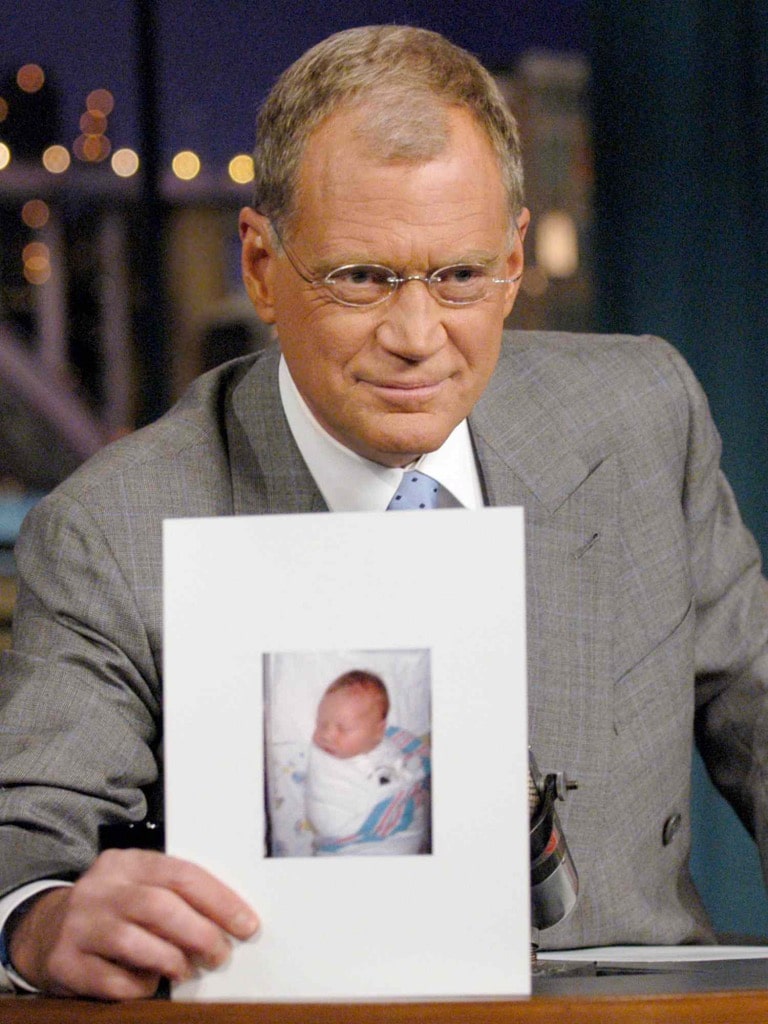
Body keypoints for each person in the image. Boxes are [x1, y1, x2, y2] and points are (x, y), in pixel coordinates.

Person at [0, 23, 767, 1000]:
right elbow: (26, 845)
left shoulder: (644, 417)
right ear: (263, 266)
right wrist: (44, 917)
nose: (418, 337)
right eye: (362, 277)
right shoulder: (114, 525)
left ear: (516, 258)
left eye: (459, 276)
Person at [306, 670, 430, 856]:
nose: (326, 735)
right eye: (321, 724)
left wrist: (423, 767)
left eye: (343, 728)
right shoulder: (326, 764)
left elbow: (420, 752)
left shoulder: (391, 740)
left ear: (377, 731)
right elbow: (330, 823)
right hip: (354, 846)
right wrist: (407, 797)